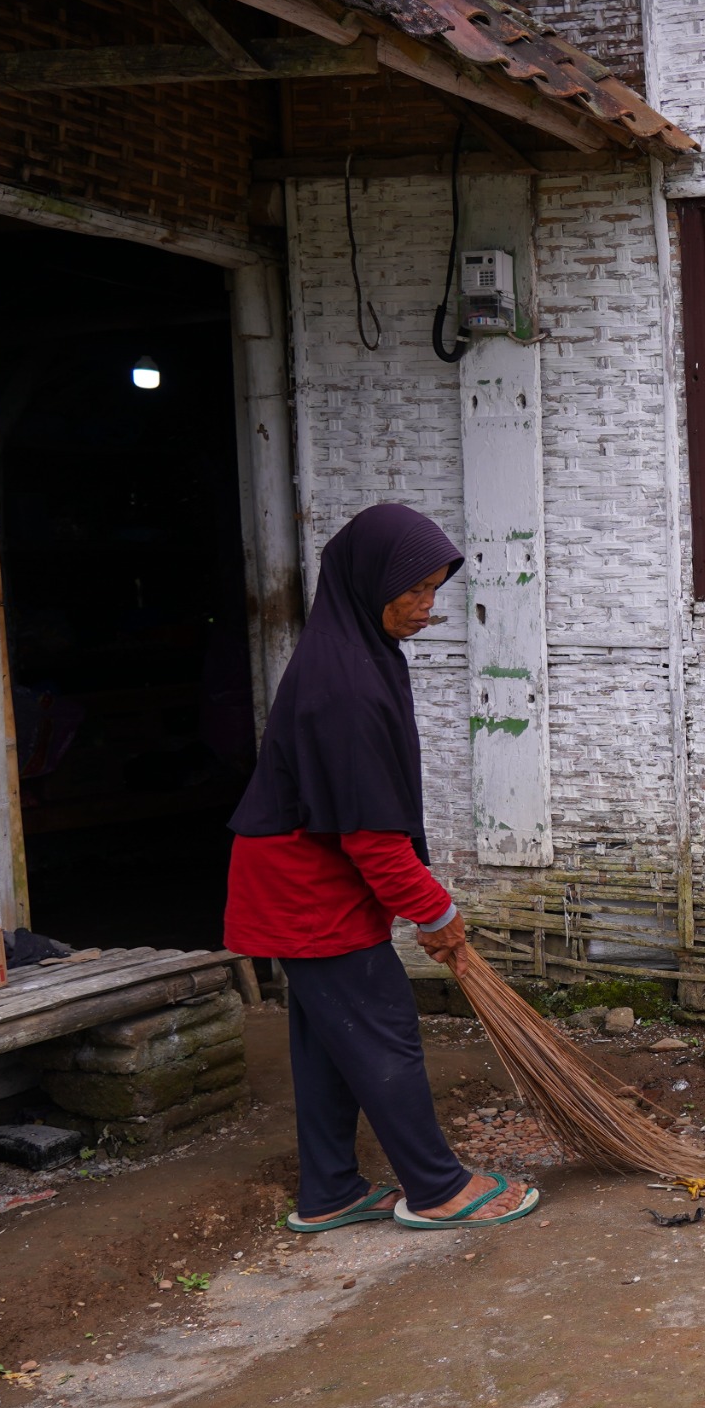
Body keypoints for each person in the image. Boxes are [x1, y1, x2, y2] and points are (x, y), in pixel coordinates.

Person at [226, 502, 539, 1234]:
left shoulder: (355, 655)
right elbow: (372, 838)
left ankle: (331, 1190)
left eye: (437, 590)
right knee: (383, 1028)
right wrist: (438, 915)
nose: (428, 608)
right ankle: (435, 1188)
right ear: (369, 583)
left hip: (298, 879)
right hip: (307, 889)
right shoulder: (346, 688)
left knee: (328, 1042)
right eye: (416, 591)